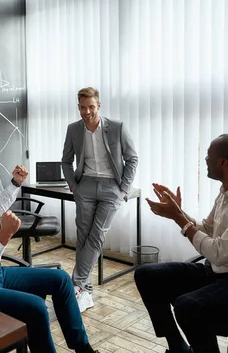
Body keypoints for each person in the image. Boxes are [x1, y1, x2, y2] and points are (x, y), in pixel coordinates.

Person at [0, 140, 99, 353]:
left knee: (60, 280)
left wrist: (15, 183)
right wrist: (4, 236)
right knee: (37, 308)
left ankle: (83, 349)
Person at [135, 134, 228, 353]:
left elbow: (219, 252)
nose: (204, 159)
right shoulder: (227, 190)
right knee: (147, 275)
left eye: (208, 155)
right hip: (218, 271)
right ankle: (177, 347)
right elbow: (210, 229)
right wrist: (179, 211)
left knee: (187, 306)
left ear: (223, 162)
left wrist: (179, 218)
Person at [62, 87, 138, 312]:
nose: (87, 112)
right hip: (84, 185)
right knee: (83, 235)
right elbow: (66, 161)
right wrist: (73, 185)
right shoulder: (73, 130)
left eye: (91, 107)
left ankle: (76, 284)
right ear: (78, 107)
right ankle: (85, 293)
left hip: (111, 188)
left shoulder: (117, 127)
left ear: (99, 106)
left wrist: (123, 190)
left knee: (97, 235)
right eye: (83, 107)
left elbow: (132, 159)